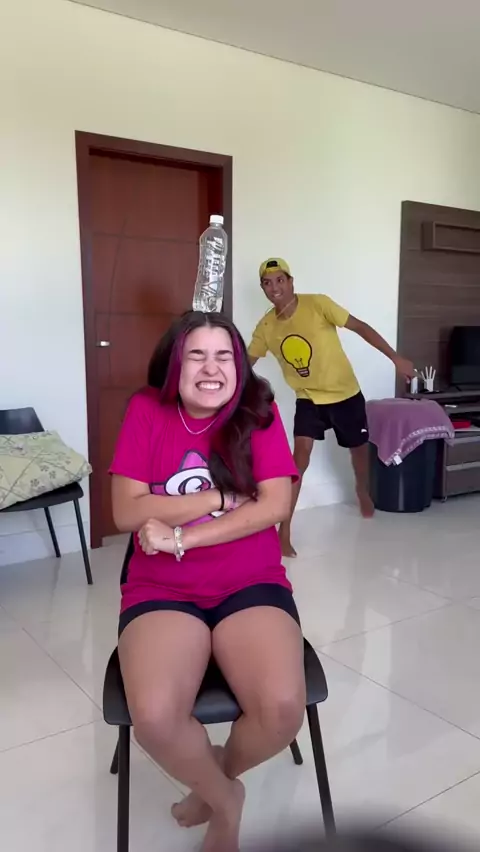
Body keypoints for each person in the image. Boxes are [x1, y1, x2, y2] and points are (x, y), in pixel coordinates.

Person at [110, 311, 305, 852]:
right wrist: (218, 498)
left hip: (251, 581)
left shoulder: (258, 411)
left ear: (239, 367)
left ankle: (213, 779)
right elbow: (126, 511)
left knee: (282, 709)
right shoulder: (146, 409)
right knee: (154, 717)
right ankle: (225, 799)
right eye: (196, 355)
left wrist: (181, 537)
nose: (211, 369)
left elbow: (275, 505)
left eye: (224, 356)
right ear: (175, 363)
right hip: (161, 589)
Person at [248, 258, 415, 557]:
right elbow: (246, 362)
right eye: (267, 283)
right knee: (298, 461)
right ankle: (284, 531)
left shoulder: (318, 304)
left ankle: (361, 489)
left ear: (291, 281)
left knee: (359, 452)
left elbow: (360, 327)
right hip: (309, 400)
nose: (274, 287)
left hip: (345, 394)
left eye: (280, 280)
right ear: (263, 288)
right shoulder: (266, 327)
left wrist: (396, 358)